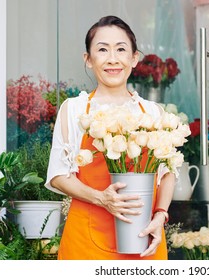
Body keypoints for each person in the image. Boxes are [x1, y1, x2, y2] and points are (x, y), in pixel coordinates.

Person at [45, 15, 175, 260]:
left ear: (134, 58)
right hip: (85, 243)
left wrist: (160, 216)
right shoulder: (74, 110)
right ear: (88, 59)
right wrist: (101, 198)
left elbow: (167, 173)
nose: (112, 59)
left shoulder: (153, 113)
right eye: (102, 49)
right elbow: (59, 175)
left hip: (145, 240)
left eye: (121, 49)